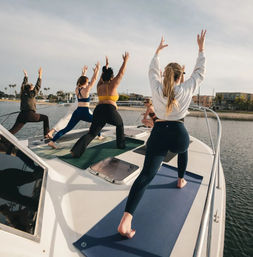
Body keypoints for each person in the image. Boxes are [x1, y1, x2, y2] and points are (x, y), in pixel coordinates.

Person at [118, 30, 207, 238]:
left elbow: (152, 70)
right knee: (184, 149)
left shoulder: (157, 88)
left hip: (158, 134)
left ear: (166, 75)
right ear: (180, 76)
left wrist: (157, 53)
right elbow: (200, 73)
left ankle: (125, 221)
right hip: (178, 135)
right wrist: (201, 49)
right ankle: (180, 179)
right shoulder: (186, 89)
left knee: (146, 176)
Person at [71, 53, 129, 158]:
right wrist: (125, 61)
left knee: (92, 133)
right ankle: (120, 145)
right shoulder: (112, 84)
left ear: (103, 76)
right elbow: (121, 73)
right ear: (111, 76)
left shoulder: (99, 85)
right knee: (119, 125)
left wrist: (105, 67)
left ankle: (76, 151)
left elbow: (103, 77)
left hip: (99, 110)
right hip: (109, 110)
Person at [48, 63, 101, 149]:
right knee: (97, 122)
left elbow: (81, 81)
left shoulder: (77, 89)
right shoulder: (86, 90)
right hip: (84, 112)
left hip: (77, 112)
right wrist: (97, 70)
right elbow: (94, 79)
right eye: (87, 82)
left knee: (67, 128)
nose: (89, 83)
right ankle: (99, 136)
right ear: (85, 83)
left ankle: (52, 141)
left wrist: (83, 73)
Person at [9, 68, 49, 137]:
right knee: (45, 118)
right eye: (32, 88)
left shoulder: (22, 93)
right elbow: (38, 86)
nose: (33, 88)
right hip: (30, 115)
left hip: (21, 115)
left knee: (12, 131)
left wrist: (26, 76)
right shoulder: (31, 94)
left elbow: (23, 85)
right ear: (30, 89)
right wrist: (40, 75)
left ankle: (1, 138)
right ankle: (46, 135)